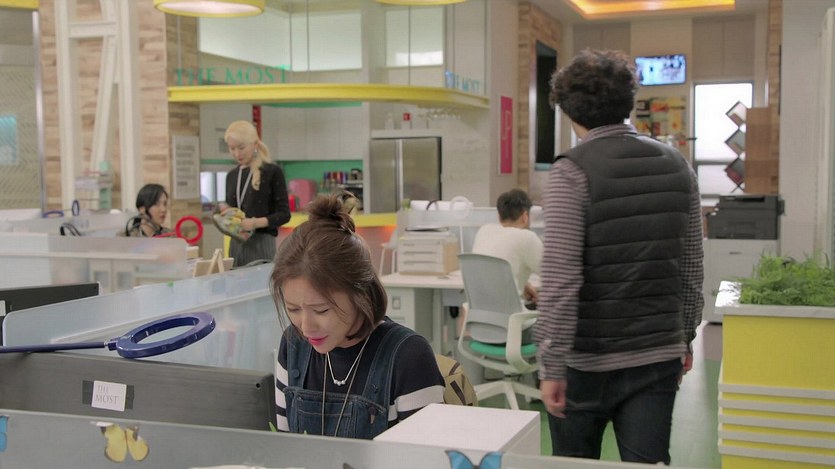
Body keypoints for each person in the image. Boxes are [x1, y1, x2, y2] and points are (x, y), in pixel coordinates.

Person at [534, 49, 704, 465]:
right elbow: (690, 267)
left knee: (575, 463)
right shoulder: (678, 165)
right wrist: (684, 336)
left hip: (585, 363)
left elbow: (560, 281)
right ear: (629, 100)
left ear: (567, 110)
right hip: (657, 354)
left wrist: (551, 365)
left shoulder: (571, 171)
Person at [271, 192, 445, 439]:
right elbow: (285, 446)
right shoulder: (293, 345)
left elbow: (426, 456)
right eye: (293, 309)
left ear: (360, 293)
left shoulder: (408, 356)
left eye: (321, 310)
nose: (306, 327)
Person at [223, 120, 291, 267]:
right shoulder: (231, 176)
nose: (237, 153)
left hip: (262, 244)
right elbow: (233, 212)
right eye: (232, 148)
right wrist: (225, 215)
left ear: (254, 144)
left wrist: (254, 223)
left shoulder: (271, 172)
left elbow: (284, 214)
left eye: (241, 148)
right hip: (236, 244)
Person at [471, 188, 543, 306]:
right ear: (525, 216)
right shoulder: (527, 237)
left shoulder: (484, 230)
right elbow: (553, 276)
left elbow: (492, 275)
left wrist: (523, 285)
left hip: (480, 313)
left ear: (499, 217)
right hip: (512, 314)